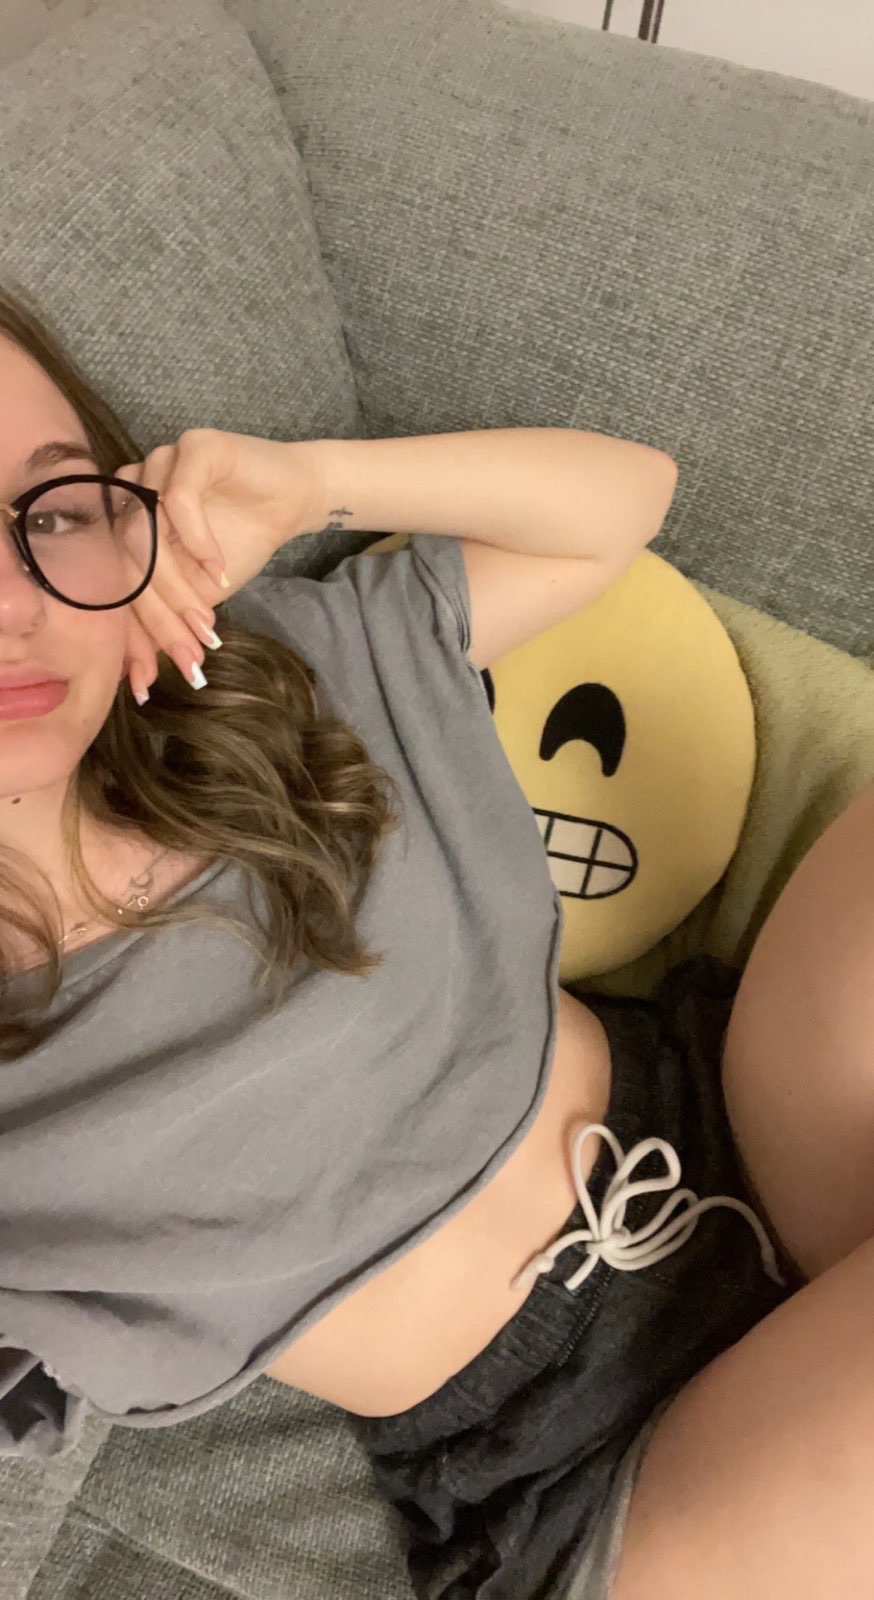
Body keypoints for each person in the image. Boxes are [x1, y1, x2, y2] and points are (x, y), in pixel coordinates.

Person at [0, 281, 872, 1600]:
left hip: (738, 1134)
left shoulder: (267, 675)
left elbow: (620, 502)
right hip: (580, 1468)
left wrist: (312, 484)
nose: (16, 602)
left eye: (51, 512)